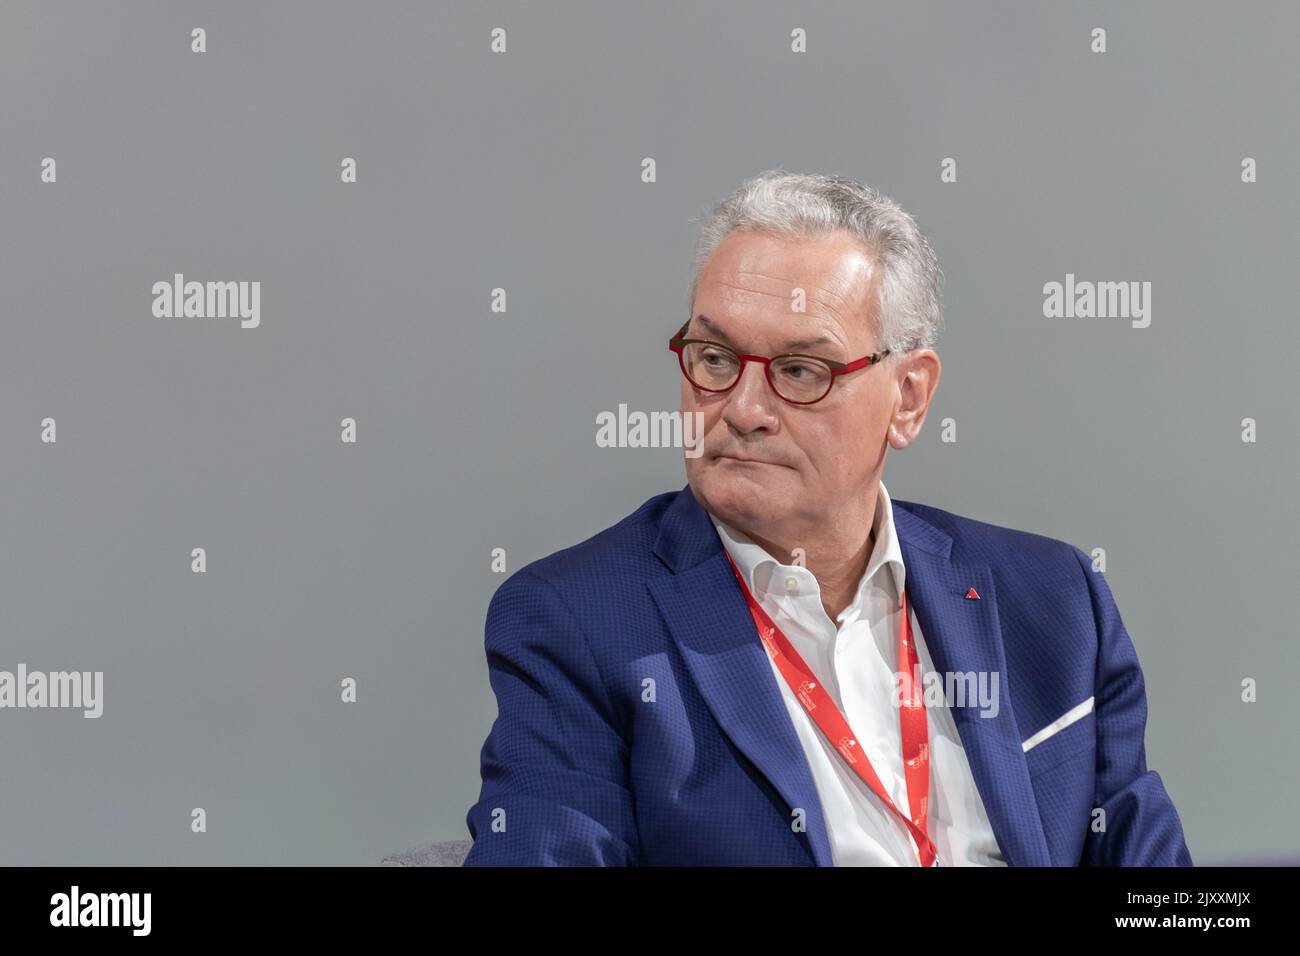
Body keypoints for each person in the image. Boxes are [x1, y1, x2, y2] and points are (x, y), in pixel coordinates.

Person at [463, 170, 1192, 866]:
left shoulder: (1055, 600)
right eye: (714, 358)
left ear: (908, 398)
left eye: (800, 372)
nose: (743, 411)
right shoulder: (580, 624)